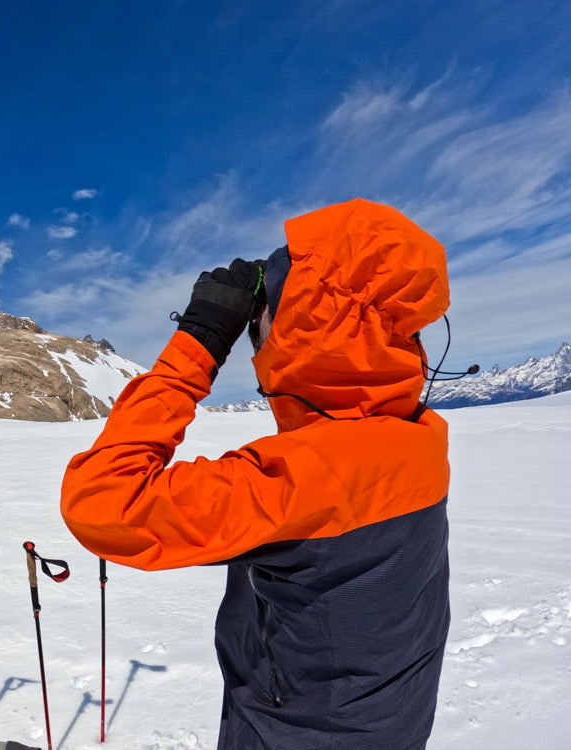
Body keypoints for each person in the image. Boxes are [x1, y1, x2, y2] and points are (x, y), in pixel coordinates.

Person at [61, 199, 451, 748]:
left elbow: (103, 501)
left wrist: (199, 340)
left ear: (311, 320)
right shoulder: (419, 436)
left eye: (271, 303)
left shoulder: (307, 476)